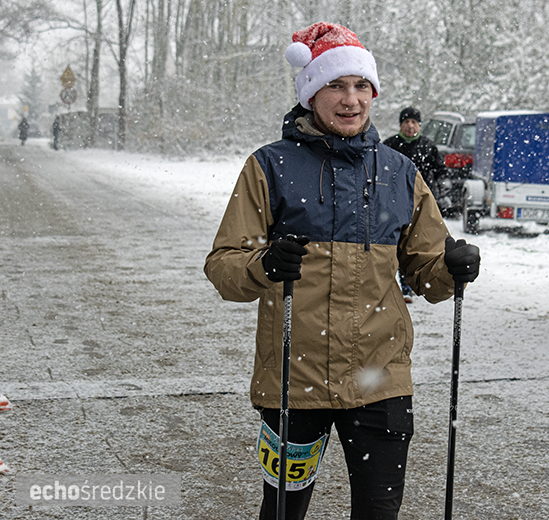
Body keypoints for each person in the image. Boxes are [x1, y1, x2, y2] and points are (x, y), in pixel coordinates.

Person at [204, 22, 480, 520]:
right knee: (284, 511)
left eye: (361, 86)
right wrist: (264, 264)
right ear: (311, 93)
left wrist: (453, 269)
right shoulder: (269, 167)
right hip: (294, 381)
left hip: (381, 381)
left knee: (379, 513)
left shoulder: (400, 172)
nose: (350, 99)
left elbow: (427, 273)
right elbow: (224, 266)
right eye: (335, 84)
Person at [383, 107, 447, 303]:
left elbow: (440, 172)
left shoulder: (428, 146)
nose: (410, 126)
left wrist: (442, 192)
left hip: (422, 202)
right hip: (395, 201)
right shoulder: (390, 146)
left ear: (419, 125)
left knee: (421, 243)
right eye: (406, 122)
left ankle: (419, 283)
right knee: (399, 244)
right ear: (401, 125)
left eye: (414, 122)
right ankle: (403, 288)